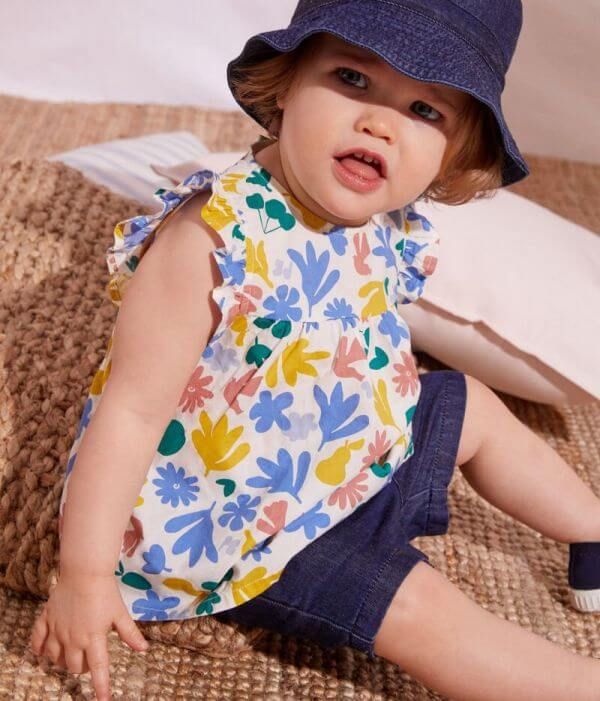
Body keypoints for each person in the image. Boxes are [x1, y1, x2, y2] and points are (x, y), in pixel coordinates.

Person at [30, 1, 600, 699]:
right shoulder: (213, 238)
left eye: (425, 110)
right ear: (286, 83)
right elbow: (130, 412)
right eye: (352, 79)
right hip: (251, 530)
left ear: (453, 152)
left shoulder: (383, 217)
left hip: (356, 446)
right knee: (420, 608)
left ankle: (591, 529)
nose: (380, 123)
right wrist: (84, 575)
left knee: (470, 404)